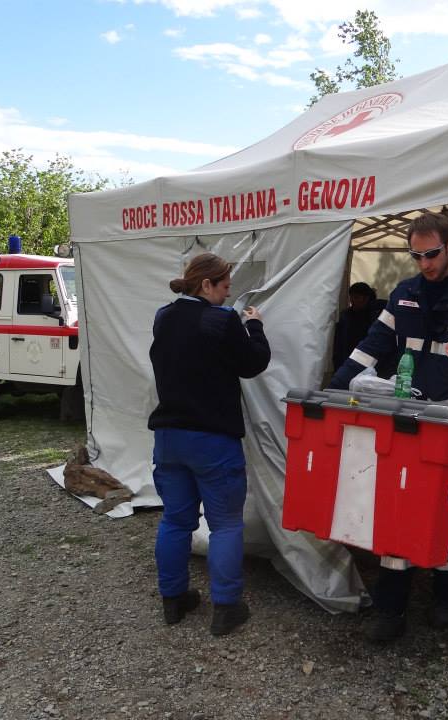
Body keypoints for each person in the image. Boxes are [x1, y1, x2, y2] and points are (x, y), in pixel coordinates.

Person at [330, 212, 448, 642]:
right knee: (397, 514)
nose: (424, 263)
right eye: (415, 255)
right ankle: (392, 611)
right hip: (412, 422)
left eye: (431, 254)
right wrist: (334, 390)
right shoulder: (405, 293)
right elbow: (371, 345)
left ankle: (445, 597)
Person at [147, 253, 271, 636]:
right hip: (212, 441)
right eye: (225, 286)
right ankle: (226, 608)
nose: (228, 294)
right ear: (206, 285)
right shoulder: (221, 319)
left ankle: (173, 600)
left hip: (169, 438)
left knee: (175, 520)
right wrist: (255, 326)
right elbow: (253, 363)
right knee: (226, 525)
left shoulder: (163, 317)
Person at [332, 282, 386, 373]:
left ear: (366, 298)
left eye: (357, 297)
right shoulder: (346, 315)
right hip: (350, 361)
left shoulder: (378, 312)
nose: (353, 301)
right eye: (351, 297)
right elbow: (339, 344)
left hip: (372, 363)